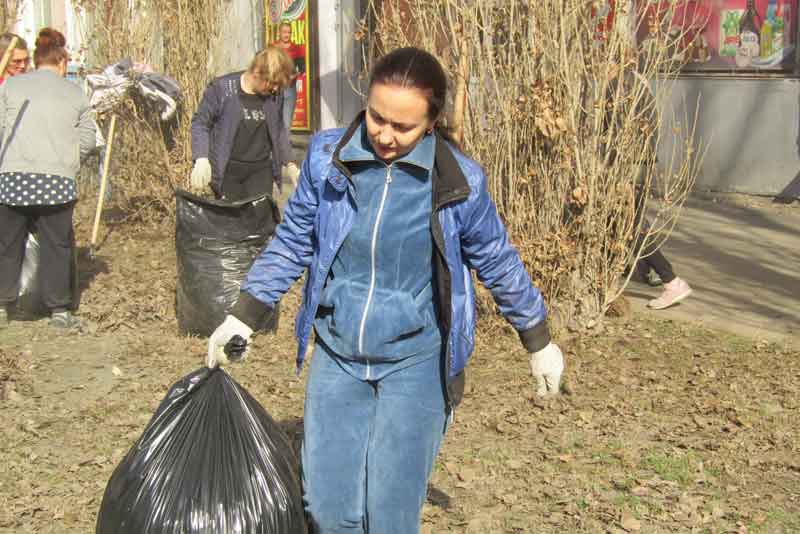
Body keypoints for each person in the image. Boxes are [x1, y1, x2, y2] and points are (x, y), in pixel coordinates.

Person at [206, 47, 566, 534]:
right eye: (377, 118)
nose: (385, 135)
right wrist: (244, 314)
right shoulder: (327, 158)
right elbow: (293, 241)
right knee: (328, 511)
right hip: (339, 352)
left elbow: (496, 259)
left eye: (404, 127)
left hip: (416, 361)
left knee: (391, 516)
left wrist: (537, 339)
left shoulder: (458, 182)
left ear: (432, 122)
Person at [0, 28, 95, 329]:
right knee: (56, 245)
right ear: (62, 63)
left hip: (12, 180)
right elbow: (88, 139)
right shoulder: (73, 92)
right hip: (56, 182)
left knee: (7, 245)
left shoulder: (11, 86)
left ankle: (4, 305)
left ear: (35, 61)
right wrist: (69, 161)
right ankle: (59, 311)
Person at [190, 45, 296, 200]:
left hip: (260, 172)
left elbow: (278, 130)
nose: (275, 89)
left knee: (261, 221)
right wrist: (201, 158)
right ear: (256, 72)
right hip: (228, 171)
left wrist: (290, 163)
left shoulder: (273, 95)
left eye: (278, 86)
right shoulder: (223, 89)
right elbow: (201, 123)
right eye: (271, 83)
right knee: (232, 221)